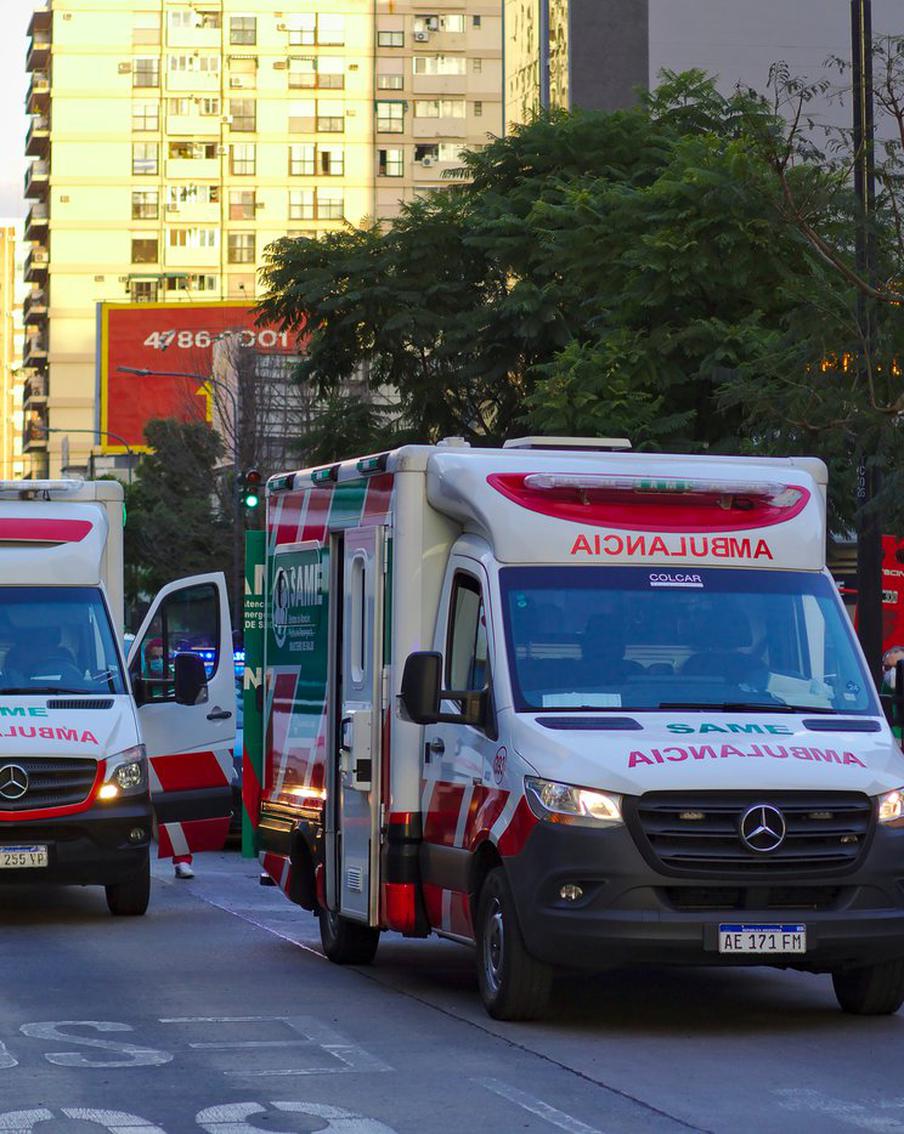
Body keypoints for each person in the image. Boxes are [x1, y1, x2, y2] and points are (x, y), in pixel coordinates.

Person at [143, 637, 195, 880]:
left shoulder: (178, 677)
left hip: (170, 744)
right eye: (154, 657)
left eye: (162, 656)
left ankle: (182, 860)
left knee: (175, 807)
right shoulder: (138, 676)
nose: (158, 662)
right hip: (144, 742)